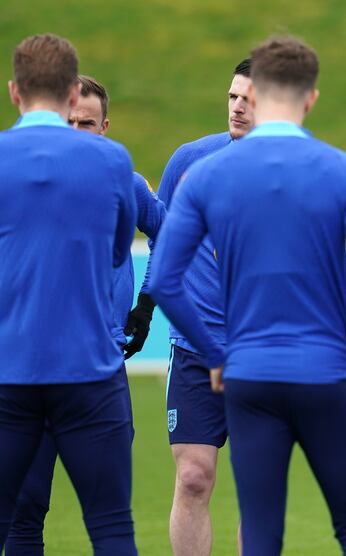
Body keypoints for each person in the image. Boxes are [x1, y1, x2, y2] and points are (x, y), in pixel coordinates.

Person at [150, 34, 346, 555]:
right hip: (327, 371)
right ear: (311, 99)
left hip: (248, 374)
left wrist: (217, 355)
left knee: (262, 531)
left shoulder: (209, 173)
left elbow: (162, 279)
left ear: (255, 93)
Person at [4, 74, 165, 556]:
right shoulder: (25, 183)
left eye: (87, 123)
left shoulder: (124, 183)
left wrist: (146, 304)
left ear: (105, 127)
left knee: (110, 519)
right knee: (26, 514)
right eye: (69, 120)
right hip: (24, 367)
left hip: (95, 367)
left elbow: (169, 233)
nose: (76, 130)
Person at [156, 58, 253, 556]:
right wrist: (146, 306)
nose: (237, 107)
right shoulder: (190, 160)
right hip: (195, 348)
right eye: (232, 96)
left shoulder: (300, 172)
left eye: (249, 99)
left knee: (257, 489)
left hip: (262, 352)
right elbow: (162, 238)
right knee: (194, 477)